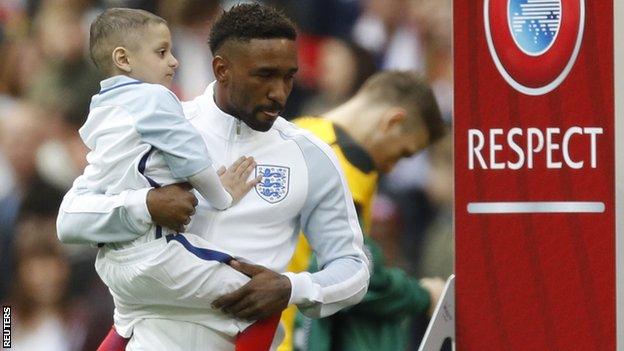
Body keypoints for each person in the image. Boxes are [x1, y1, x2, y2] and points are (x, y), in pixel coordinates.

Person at [56, 4, 370, 351]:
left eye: (288, 77)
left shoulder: (311, 156)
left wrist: (291, 288)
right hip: (149, 334)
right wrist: (145, 205)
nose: (279, 93)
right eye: (264, 75)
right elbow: (71, 218)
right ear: (221, 69)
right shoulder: (162, 124)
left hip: (240, 338)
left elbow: (353, 270)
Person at [60, 7, 271, 349]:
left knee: (126, 324)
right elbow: (191, 158)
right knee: (265, 296)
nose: (174, 62)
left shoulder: (101, 108)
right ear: (123, 59)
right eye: (162, 52)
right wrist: (221, 196)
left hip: (114, 262)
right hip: (156, 253)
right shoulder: (155, 98)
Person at [278, 71, 448, 351]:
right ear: (394, 122)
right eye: (402, 153)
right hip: (294, 339)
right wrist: (423, 295)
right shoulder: (344, 167)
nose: (392, 167)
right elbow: (359, 277)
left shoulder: (298, 131)